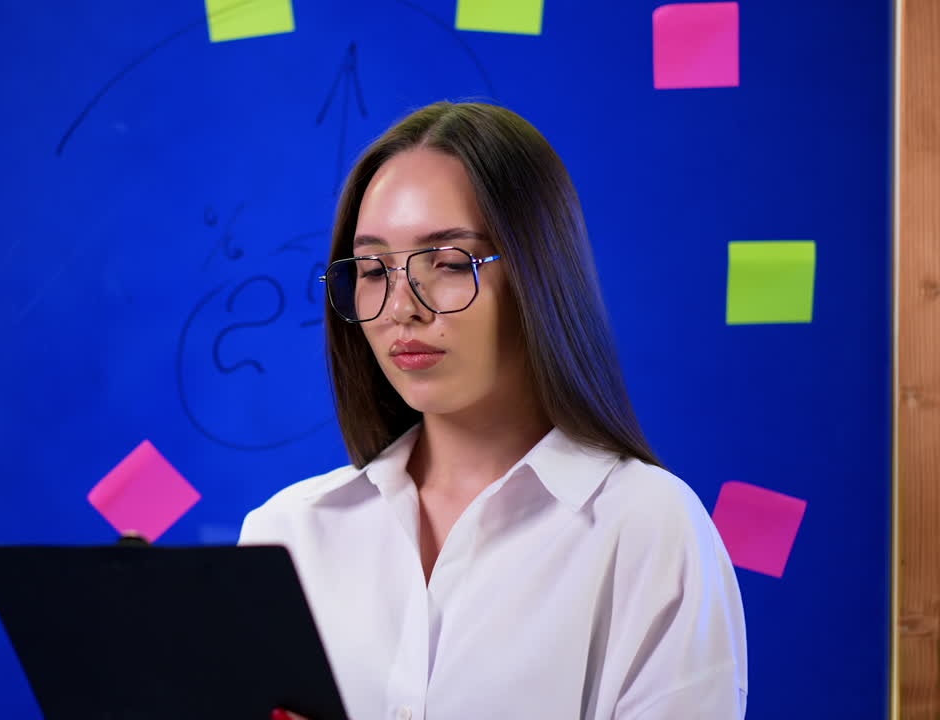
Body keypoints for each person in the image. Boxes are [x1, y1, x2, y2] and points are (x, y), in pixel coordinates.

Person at [238, 101, 748, 720]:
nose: (402, 307)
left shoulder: (646, 530)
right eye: (373, 269)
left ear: (539, 272)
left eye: (448, 264)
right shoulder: (287, 536)